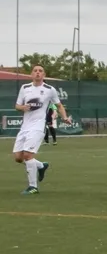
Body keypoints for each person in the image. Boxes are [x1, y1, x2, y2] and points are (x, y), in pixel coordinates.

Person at [12, 65, 71, 194]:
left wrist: (65, 117)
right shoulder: (25, 88)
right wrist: (22, 108)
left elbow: (59, 105)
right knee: (18, 157)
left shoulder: (50, 90)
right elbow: (17, 105)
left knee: (28, 155)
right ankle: (41, 166)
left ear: (44, 75)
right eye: (35, 71)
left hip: (38, 126)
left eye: (40, 71)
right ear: (31, 74)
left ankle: (33, 187)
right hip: (25, 126)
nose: (38, 73)